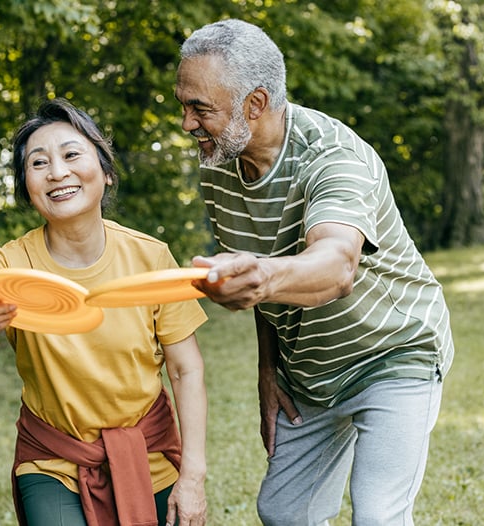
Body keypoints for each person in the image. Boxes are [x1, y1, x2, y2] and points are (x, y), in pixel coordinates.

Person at [175, 19, 455, 525]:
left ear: (255, 104)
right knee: (284, 512)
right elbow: (252, 264)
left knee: (377, 516)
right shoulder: (219, 166)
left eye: (200, 109)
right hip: (310, 372)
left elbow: (336, 264)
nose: (186, 123)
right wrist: (268, 369)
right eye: (182, 105)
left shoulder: (334, 157)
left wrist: (262, 276)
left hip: (393, 351)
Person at [0, 98, 208, 526]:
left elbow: (186, 370)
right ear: (27, 188)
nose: (57, 172)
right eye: (38, 163)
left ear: (107, 172)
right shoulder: (12, 265)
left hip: (148, 450)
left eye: (71, 154)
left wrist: (193, 476)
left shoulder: (150, 257)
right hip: (54, 459)